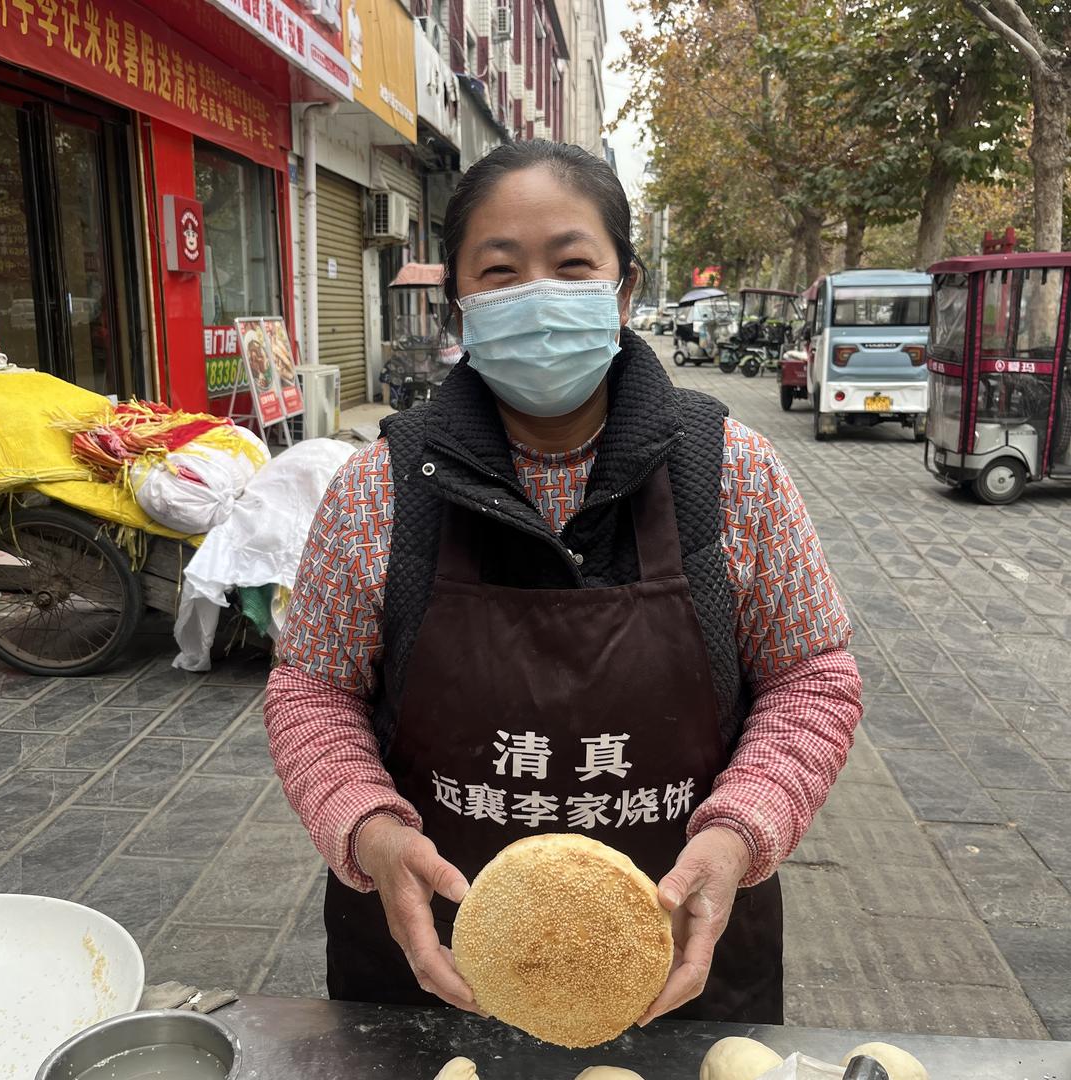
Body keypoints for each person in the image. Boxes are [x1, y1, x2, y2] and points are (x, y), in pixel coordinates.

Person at [264, 140, 862, 1026]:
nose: (537, 297)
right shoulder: (381, 488)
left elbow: (813, 678)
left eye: (571, 265)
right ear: (458, 306)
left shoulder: (730, 473)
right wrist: (365, 826)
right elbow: (311, 688)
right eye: (500, 272)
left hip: (675, 970)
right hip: (431, 968)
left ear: (623, 290)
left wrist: (744, 828)